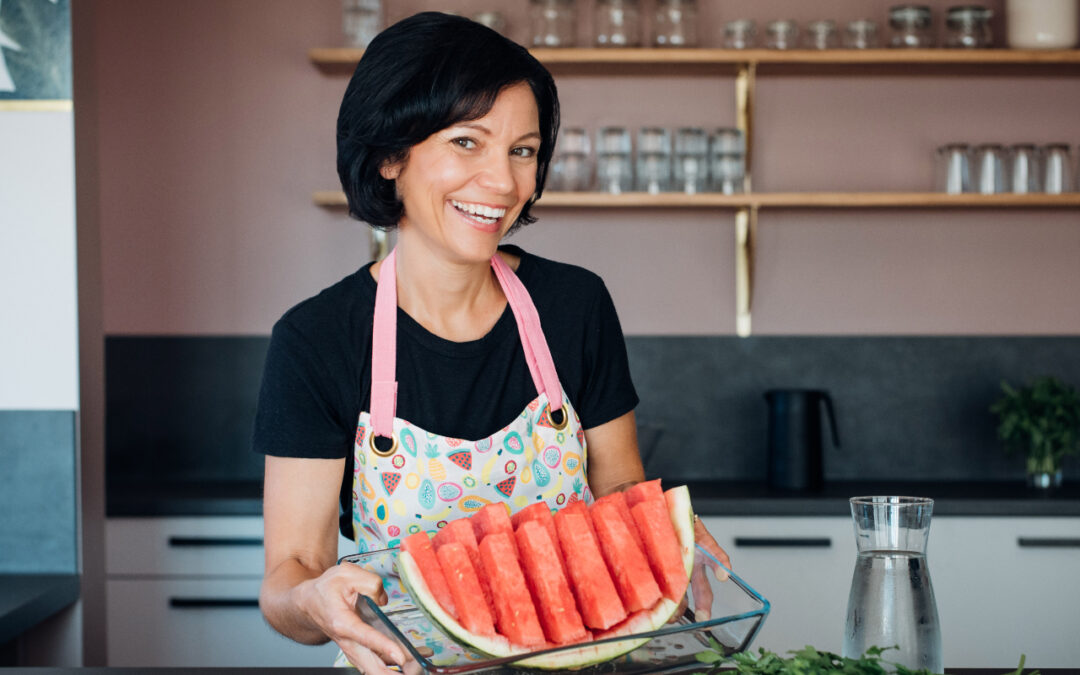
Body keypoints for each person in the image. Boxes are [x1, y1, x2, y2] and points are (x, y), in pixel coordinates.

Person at [254, 11, 730, 673]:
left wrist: (660, 537)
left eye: (523, 150)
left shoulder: (575, 305)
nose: (503, 183)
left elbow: (620, 484)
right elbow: (288, 575)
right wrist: (314, 599)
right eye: (468, 142)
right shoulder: (317, 339)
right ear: (392, 154)